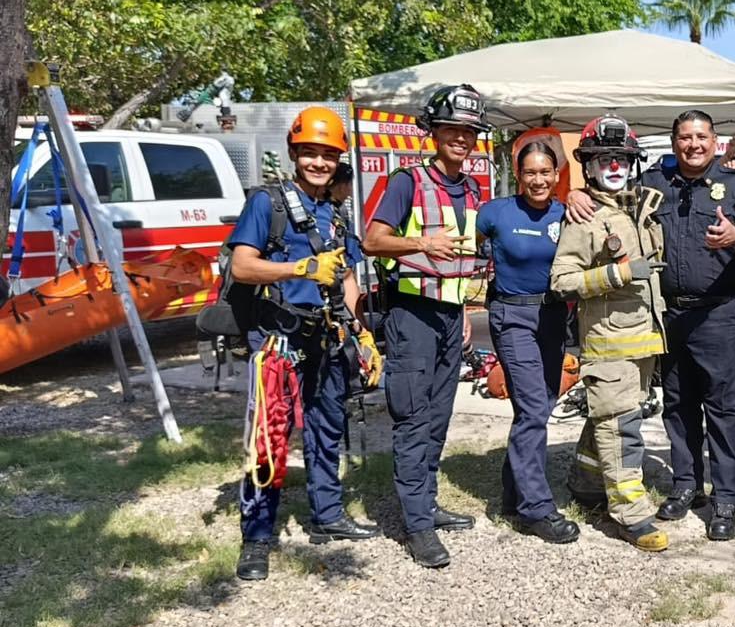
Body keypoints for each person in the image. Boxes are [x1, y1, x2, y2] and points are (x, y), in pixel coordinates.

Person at [566, 110, 735, 541]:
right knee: (678, 404)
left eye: (701, 136)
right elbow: (608, 196)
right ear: (674, 142)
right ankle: (685, 484)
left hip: (720, 313)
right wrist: (574, 194)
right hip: (669, 314)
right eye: (684, 138)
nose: (693, 145)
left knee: (723, 407)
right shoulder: (654, 184)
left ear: (715, 139)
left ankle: (727, 495)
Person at [230, 107, 380, 581]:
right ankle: (256, 537)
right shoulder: (268, 204)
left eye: (328, 154)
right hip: (278, 338)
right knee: (270, 439)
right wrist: (297, 269)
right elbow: (242, 267)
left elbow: (349, 278)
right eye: (310, 153)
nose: (319, 162)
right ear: (295, 154)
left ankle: (327, 515)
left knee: (326, 428)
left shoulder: (335, 212)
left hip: (328, 336)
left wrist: (363, 333)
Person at [363, 84, 490, 569]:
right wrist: (421, 242)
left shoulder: (474, 188)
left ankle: (428, 505)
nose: (461, 137)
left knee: (438, 418)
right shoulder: (407, 182)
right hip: (411, 315)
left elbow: (460, 259)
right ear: (433, 131)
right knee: (413, 418)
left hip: (449, 316)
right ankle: (416, 525)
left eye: (469, 131)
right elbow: (373, 240)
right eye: (453, 128)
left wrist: (460, 315)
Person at [552, 114, 671, 552]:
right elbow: (562, 280)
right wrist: (617, 273)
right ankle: (631, 514)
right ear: (589, 166)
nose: (614, 166)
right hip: (608, 343)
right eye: (604, 159)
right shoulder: (583, 218)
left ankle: (585, 483)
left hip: (644, 339)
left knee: (609, 415)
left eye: (621, 158)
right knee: (621, 427)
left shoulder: (640, 207)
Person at [476, 142, 580, 545]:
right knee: (534, 408)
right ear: (518, 175)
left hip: (554, 316)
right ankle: (536, 509)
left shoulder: (567, 214)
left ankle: (513, 493)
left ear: (557, 175)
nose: (538, 180)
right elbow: (465, 248)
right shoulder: (494, 213)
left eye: (546, 173)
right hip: (512, 315)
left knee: (542, 401)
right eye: (530, 173)